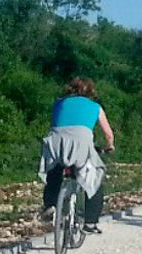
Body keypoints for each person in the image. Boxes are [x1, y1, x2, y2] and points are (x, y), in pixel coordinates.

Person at [40, 77, 115, 233]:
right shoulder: (95, 107)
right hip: (81, 143)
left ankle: (50, 204)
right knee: (93, 180)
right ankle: (90, 222)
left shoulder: (59, 103)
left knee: (54, 171)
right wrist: (109, 146)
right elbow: (108, 135)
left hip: (56, 142)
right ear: (91, 91)